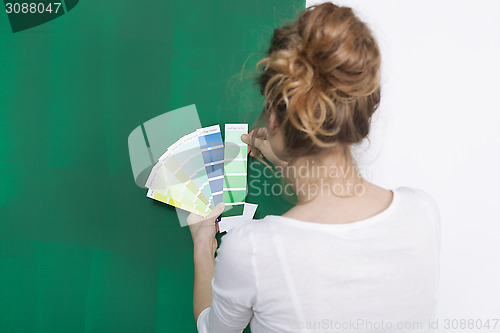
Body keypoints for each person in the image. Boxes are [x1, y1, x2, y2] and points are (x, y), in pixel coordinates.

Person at [188, 2, 441, 332]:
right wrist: (290, 164)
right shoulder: (422, 212)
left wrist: (202, 244)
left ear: (274, 118)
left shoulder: (250, 250)